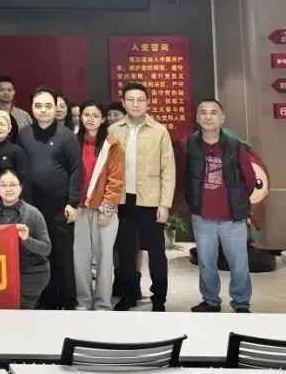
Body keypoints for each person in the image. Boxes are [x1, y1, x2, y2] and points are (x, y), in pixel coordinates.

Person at [179, 99, 260, 313]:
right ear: (197, 117)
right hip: (202, 216)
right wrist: (192, 201)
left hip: (232, 216)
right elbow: (182, 176)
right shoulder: (188, 144)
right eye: (203, 112)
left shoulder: (234, 145)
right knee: (206, 263)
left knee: (239, 264)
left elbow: (250, 179)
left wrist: (239, 201)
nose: (208, 116)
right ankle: (210, 300)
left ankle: (241, 302)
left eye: (213, 112)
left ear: (222, 118)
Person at [108, 81, 175, 312]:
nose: (135, 104)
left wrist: (164, 204)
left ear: (147, 103)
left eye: (140, 100)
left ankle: (159, 298)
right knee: (125, 252)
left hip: (151, 202)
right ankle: (129, 295)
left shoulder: (159, 131)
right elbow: (108, 169)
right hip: (123, 201)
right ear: (123, 102)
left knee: (156, 253)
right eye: (130, 100)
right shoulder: (114, 130)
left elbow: (168, 170)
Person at [17, 87, 82, 310]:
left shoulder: (67, 136)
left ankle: (68, 299)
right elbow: (20, 170)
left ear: (56, 108)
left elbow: (76, 170)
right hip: (33, 206)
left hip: (61, 206)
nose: (43, 110)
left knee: (62, 253)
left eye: (48, 106)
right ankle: (45, 299)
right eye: (38, 106)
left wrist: (73, 202)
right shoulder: (24, 134)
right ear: (31, 108)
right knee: (38, 252)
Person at [73, 101, 124, 311]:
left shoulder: (112, 145)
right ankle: (83, 301)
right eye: (87, 115)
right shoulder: (73, 142)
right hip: (79, 209)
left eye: (95, 115)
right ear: (80, 117)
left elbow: (116, 180)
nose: (90, 119)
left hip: (104, 210)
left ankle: (103, 303)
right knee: (80, 257)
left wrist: (107, 208)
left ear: (103, 119)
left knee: (104, 258)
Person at [0, 169, 52, 309]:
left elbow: (46, 249)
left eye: (13, 185)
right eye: (3, 185)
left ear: (20, 187)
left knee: (19, 311)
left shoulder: (33, 213)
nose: (8, 189)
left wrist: (27, 239)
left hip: (30, 273)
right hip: (0, 273)